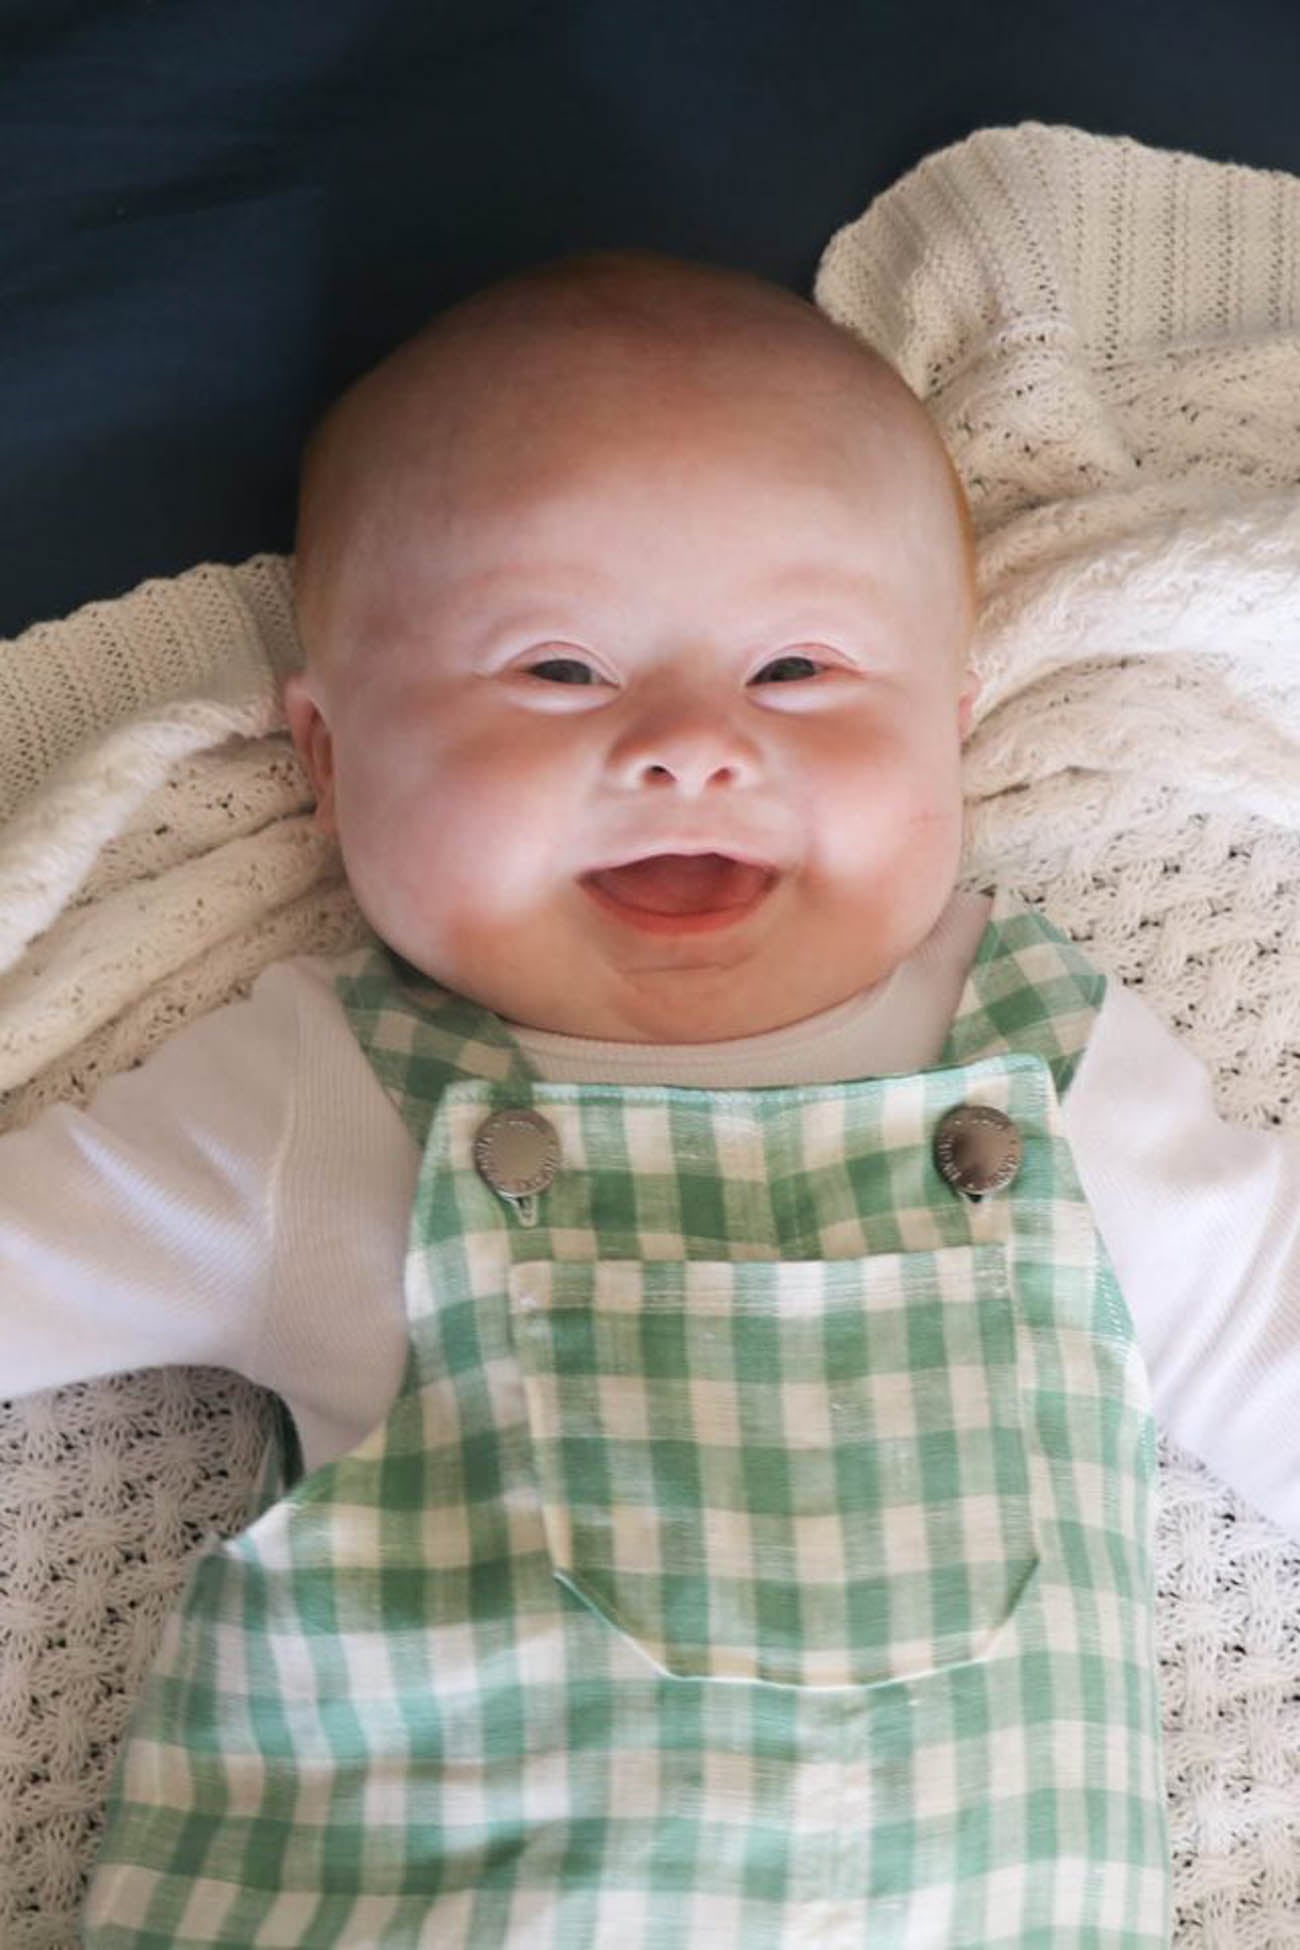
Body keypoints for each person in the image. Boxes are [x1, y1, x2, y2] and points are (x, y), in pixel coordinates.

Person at [7, 247, 1298, 1945]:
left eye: (797, 670)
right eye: (559, 669)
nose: (691, 743)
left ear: (952, 724)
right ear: (330, 758)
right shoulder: (321, 1100)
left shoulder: (1053, 1070)